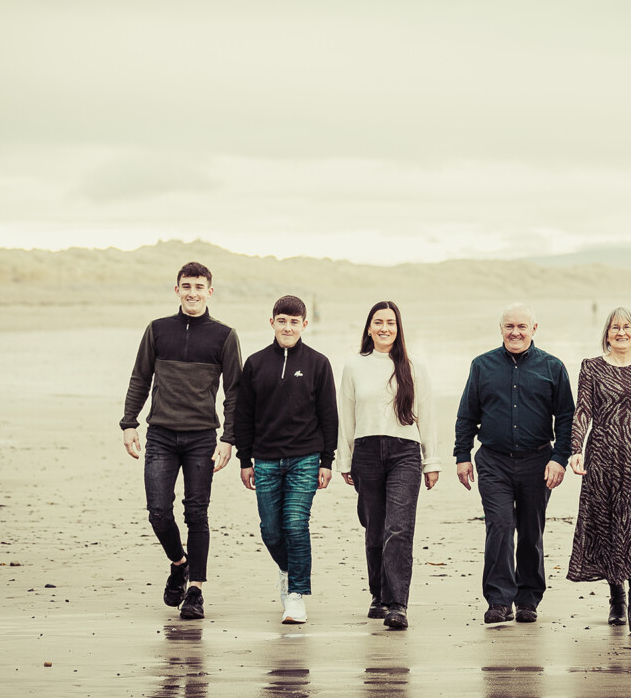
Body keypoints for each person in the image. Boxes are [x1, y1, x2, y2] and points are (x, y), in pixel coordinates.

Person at [120, 262, 242, 620]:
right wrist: (129, 423)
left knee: (196, 512)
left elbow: (234, 394)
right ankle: (179, 563)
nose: (192, 292)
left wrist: (228, 438)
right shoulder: (158, 330)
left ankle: (195, 591)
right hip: (160, 434)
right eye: (186, 286)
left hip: (202, 437)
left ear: (210, 291)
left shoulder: (224, 336)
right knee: (158, 511)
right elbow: (140, 379)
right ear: (177, 290)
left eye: (199, 286)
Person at [454, 303, 574, 625]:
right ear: (501, 328)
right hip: (494, 462)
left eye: (522, 326)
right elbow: (467, 415)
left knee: (531, 532)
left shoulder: (553, 367)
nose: (515, 332)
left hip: (539, 462)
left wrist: (559, 458)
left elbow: (566, 419)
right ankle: (498, 600)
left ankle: (527, 599)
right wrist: (462, 456)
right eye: (509, 326)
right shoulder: (482, 366)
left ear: (534, 329)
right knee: (501, 526)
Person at [336, 300, 441, 630]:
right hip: (366, 452)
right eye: (378, 322)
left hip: (405, 453)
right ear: (369, 327)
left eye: (391, 323)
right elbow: (346, 416)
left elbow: (427, 415)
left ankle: (397, 604)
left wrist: (431, 460)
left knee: (399, 527)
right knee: (374, 528)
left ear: (399, 328)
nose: (384, 328)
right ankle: (378, 595)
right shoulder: (354, 365)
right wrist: (345, 459)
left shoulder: (414, 366)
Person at [234, 295, 338, 625]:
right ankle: (287, 569)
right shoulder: (255, 363)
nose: (288, 326)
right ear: (272, 323)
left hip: (305, 458)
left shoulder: (318, 363)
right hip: (264, 460)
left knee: (295, 523)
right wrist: (244, 459)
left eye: (294, 321)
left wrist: (327, 460)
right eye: (282, 320)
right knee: (271, 530)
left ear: (305, 325)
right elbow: (243, 414)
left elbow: (329, 415)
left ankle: (296, 596)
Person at [567, 307, 631, 632]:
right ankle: (617, 598)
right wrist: (575, 449)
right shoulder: (592, 368)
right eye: (615, 327)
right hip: (602, 455)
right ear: (607, 334)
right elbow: (583, 410)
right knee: (609, 525)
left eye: (627, 327)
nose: (621, 332)